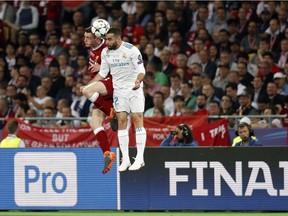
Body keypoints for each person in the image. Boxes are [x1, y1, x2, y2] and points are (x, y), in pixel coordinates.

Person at [90, 27, 146, 172]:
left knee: (137, 118)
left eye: (109, 39)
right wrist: (89, 86)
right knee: (121, 121)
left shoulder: (131, 50)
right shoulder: (105, 52)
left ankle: (140, 158)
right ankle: (126, 159)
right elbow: (102, 73)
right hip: (119, 91)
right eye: (106, 39)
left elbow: (141, 70)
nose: (106, 42)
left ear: (118, 39)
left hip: (134, 89)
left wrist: (138, 81)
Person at [80, 26, 116, 174]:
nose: (85, 40)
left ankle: (110, 112)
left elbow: (123, 66)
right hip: (101, 88)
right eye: (85, 37)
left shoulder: (108, 48)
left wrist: (103, 66)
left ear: (97, 37)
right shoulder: (92, 49)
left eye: (88, 37)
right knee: (94, 122)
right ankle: (108, 153)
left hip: (112, 83)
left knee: (87, 90)